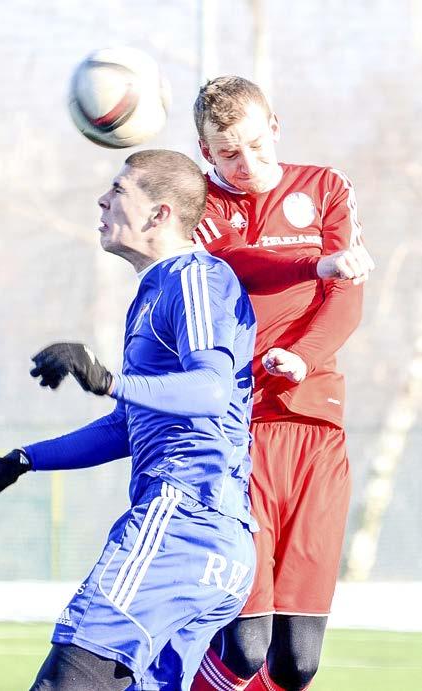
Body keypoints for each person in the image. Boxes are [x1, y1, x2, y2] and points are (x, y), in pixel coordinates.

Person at [0, 149, 259, 691]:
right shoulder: (155, 292)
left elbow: (210, 389)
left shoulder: (194, 279)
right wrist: (22, 461)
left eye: (119, 190)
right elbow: (126, 425)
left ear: (160, 214)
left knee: (67, 680)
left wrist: (108, 380)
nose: (102, 200)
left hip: (183, 519)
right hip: (209, 542)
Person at [189, 76, 370, 691]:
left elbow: (347, 296)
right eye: (229, 153)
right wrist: (310, 261)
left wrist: (303, 354)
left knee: (297, 663)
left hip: (318, 431)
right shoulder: (202, 206)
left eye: (257, 146)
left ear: (276, 127)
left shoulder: (326, 188)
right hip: (241, 432)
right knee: (244, 645)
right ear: (205, 151)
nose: (246, 164)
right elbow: (238, 261)